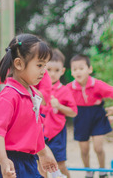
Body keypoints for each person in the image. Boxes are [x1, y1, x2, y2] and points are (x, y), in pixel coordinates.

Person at [0, 34, 58, 177]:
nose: (44, 71)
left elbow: (34, 129)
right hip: (8, 163)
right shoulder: (9, 96)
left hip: (27, 162)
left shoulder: (33, 95)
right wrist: (4, 161)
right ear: (19, 63)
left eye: (45, 66)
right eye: (39, 65)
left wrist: (43, 153)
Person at [69, 54, 113, 178]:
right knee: (84, 150)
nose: (78, 71)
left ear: (89, 69)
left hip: (97, 116)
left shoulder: (97, 84)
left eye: (81, 68)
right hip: (80, 117)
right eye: (75, 69)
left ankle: (102, 170)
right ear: (71, 72)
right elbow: (57, 98)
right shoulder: (69, 88)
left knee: (98, 148)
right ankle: (88, 171)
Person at [39, 49, 77, 178]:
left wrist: (59, 106)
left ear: (62, 71)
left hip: (57, 134)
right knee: (41, 165)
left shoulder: (65, 90)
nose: (52, 74)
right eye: (49, 69)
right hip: (40, 133)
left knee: (59, 165)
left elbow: (73, 112)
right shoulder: (37, 89)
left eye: (56, 70)